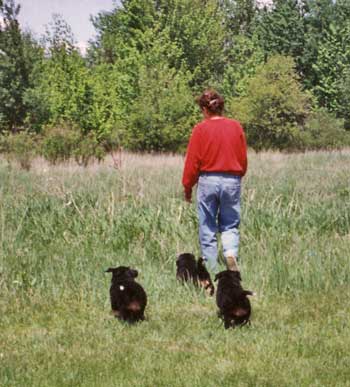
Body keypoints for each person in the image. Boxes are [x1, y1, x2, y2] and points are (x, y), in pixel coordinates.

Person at [182, 89, 247, 272]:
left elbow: (192, 162)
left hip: (208, 180)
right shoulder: (236, 127)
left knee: (207, 225)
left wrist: (187, 188)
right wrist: (236, 177)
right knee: (230, 223)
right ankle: (230, 253)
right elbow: (242, 159)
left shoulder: (200, 129)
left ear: (205, 109)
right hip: (232, 179)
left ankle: (211, 268)